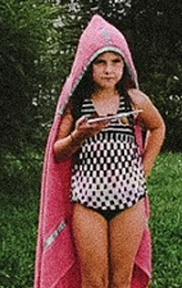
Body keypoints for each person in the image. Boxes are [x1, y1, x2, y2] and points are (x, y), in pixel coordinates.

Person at [35, 15, 166, 288]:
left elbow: (157, 127)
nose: (109, 70)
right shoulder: (77, 104)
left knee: (121, 281)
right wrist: (79, 135)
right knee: (93, 281)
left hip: (129, 200)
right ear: (87, 65)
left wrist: (144, 171)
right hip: (87, 202)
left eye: (116, 62)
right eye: (100, 62)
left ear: (125, 64)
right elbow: (58, 152)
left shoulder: (134, 100)